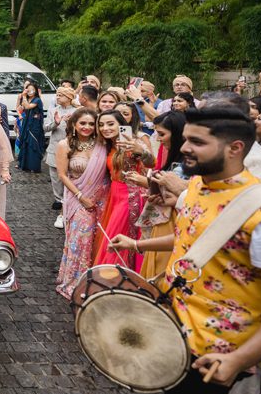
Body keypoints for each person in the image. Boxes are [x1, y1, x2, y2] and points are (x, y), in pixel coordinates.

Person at [110, 106, 261, 394]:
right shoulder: (196, 190)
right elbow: (194, 243)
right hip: (181, 334)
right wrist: (136, 247)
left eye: (198, 142)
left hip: (223, 350)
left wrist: (238, 360)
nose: (185, 147)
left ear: (235, 148)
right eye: (186, 138)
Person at [55, 108, 110, 299]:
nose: (86, 127)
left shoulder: (103, 144)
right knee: (81, 240)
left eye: (90, 123)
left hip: (102, 199)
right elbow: (62, 175)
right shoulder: (65, 145)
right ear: (74, 125)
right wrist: (80, 196)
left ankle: (97, 281)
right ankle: (76, 282)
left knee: (98, 241)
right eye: (82, 123)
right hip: (77, 199)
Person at [126, 111, 186, 279]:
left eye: (161, 134)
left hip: (174, 222)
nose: (158, 138)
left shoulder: (190, 162)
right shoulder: (172, 154)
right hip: (163, 221)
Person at [93, 109, 154, 266]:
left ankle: (118, 276)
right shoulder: (110, 144)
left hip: (130, 196)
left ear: (122, 125)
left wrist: (141, 151)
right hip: (114, 195)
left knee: (118, 236)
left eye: (110, 124)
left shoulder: (132, 143)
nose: (105, 128)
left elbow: (151, 164)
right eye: (101, 125)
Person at [45, 85, 78, 226]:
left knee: (69, 175)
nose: (57, 97)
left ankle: (68, 201)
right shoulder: (53, 111)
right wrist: (56, 122)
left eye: (60, 95)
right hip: (54, 147)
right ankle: (58, 199)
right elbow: (45, 128)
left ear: (69, 97)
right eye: (57, 95)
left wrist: (71, 122)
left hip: (71, 148)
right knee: (55, 176)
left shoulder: (77, 111)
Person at [16, 82, 45, 172]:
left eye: (32, 89)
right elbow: (21, 108)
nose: (30, 91)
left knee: (33, 144)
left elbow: (28, 107)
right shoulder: (26, 99)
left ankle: (34, 166)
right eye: (28, 90)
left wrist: (24, 97)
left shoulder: (37, 100)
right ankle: (25, 165)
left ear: (36, 91)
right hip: (26, 123)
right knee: (25, 142)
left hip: (34, 125)